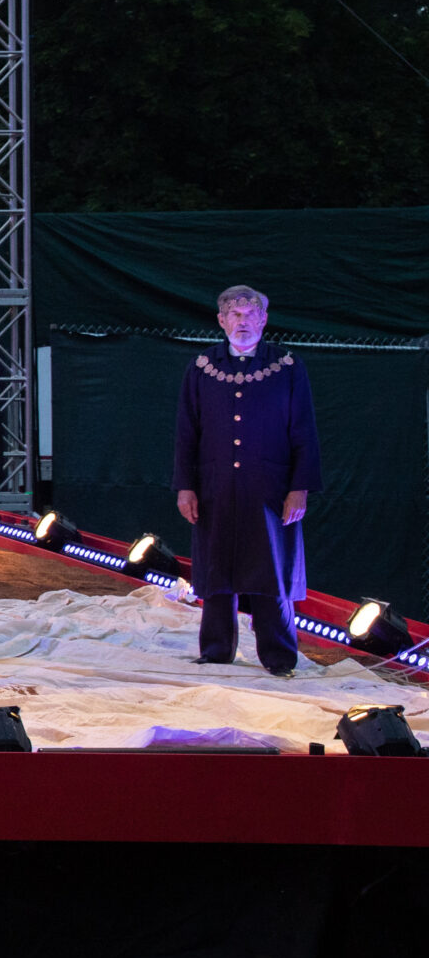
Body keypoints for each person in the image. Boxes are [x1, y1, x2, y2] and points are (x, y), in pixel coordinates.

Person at [174, 284, 321, 676]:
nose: (242, 322)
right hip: (214, 487)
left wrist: (299, 488)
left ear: (264, 319)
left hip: (270, 489)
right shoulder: (202, 367)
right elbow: (187, 432)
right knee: (216, 568)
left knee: (271, 570)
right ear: (221, 320)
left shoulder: (288, 366)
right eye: (235, 315)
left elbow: (304, 431)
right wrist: (185, 486)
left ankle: (279, 657)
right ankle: (216, 651)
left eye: (250, 315)